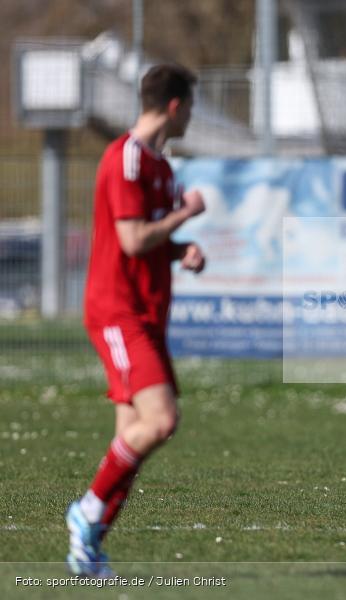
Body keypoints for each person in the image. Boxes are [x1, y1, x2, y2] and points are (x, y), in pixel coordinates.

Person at [66, 63, 206, 576]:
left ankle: (88, 548)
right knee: (161, 419)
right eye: (190, 105)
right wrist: (185, 215)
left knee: (135, 432)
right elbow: (129, 240)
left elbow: (147, 243)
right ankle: (85, 512)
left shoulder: (161, 166)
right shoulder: (126, 158)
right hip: (117, 313)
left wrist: (180, 249)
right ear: (174, 106)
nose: (191, 114)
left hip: (146, 315)